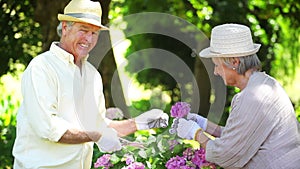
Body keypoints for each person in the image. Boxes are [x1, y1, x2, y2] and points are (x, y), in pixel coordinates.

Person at [12, 0, 169, 168]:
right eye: (83, 30)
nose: (88, 39)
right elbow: (49, 127)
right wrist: (96, 135)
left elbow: (98, 125)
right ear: (65, 27)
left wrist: (137, 123)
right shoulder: (42, 67)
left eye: (94, 33)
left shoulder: (92, 75)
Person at [176, 23, 300, 168]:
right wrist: (203, 124)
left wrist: (195, 133)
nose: (216, 71)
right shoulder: (264, 84)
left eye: (217, 65)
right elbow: (237, 138)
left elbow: (226, 153)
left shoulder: (253, 96)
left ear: (234, 62)